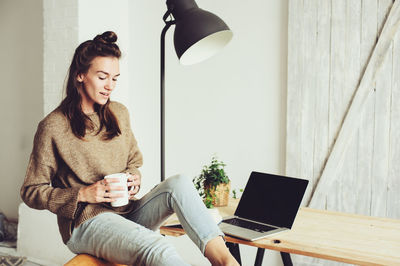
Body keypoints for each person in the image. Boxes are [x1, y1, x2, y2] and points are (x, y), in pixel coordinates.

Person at [20, 31, 239, 266]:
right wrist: (82, 194)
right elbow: (31, 191)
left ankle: (226, 262)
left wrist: (134, 178)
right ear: (80, 75)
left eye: (115, 78)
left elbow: (133, 163)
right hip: (85, 223)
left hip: (127, 213)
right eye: (103, 77)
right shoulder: (53, 126)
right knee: (158, 247)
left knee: (179, 184)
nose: (110, 86)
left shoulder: (119, 113)